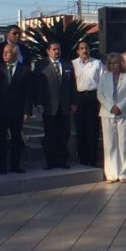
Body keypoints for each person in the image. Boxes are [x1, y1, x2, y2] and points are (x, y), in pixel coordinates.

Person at [0, 43, 33, 175]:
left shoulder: (25, 70)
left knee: (16, 139)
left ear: (16, 54)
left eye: (8, 52)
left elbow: (29, 92)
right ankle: (2, 166)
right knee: (1, 139)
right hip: (1, 110)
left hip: (17, 111)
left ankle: (15, 165)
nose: (5, 55)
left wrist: (27, 111)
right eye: (4, 52)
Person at [33, 41, 75, 170]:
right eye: (54, 49)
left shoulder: (67, 63)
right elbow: (37, 86)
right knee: (50, 135)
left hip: (64, 106)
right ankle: (50, 161)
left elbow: (72, 85)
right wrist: (38, 103)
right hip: (49, 106)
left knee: (64, 134)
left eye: (58, 49)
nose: (57, 51)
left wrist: (73, 103)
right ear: (48, 51)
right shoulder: (41, 65)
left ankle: (62, 160)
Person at [98, 53, 126, 183]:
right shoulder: (104, 77)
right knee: (110, 144)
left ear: (121, 64)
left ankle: (124, 173)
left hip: (124, 112)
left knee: (124, 143)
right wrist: (111, 107)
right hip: (107, 113)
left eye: (116, 63)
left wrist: (119, 106)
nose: (114, 66)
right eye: (112, 63)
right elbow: (100, 94)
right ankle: (111, 173)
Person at [72, 41, 103, 167]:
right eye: (82, 48)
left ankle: (93, 159)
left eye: (86, 48)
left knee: (93, 129)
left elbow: (102, 82)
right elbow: (71, 84)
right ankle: (83, 158)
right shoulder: (73, 64)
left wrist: (101, 101)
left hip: (93, 97)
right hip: (79, 98)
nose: (84, 50)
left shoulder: (97, 63)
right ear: (78, 51)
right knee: (80, 129)